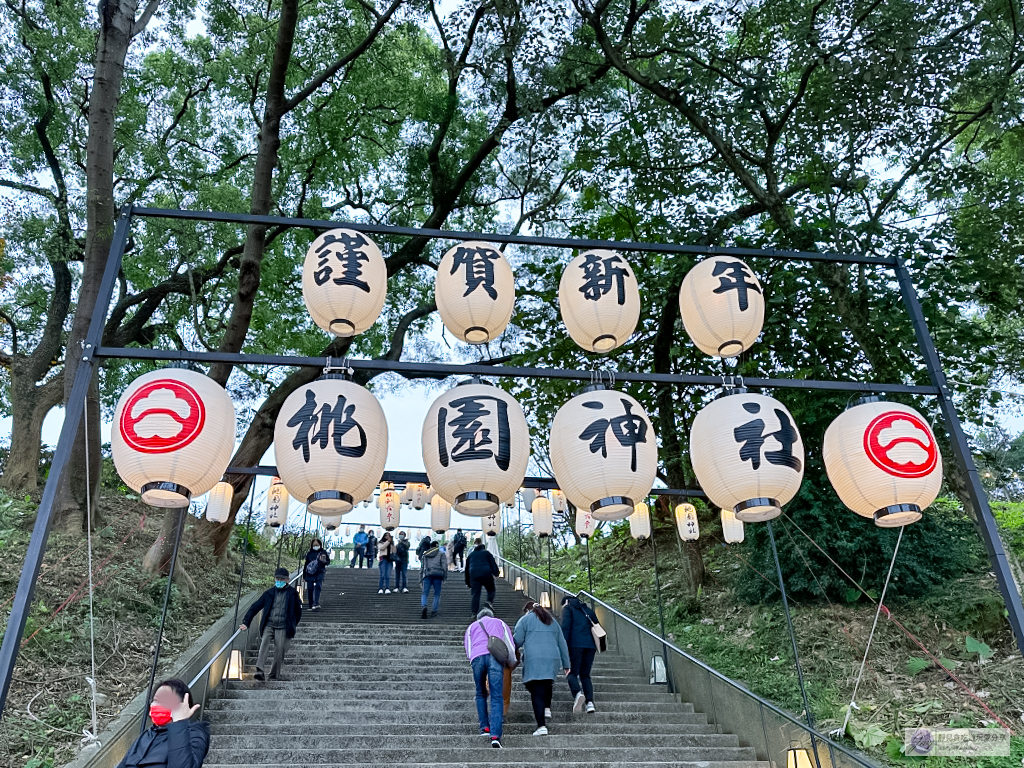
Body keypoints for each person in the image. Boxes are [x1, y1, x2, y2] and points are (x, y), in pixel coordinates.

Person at [115, 678, 208, 768]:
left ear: (183, 705)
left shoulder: (194, 734)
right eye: (156, 700)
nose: (158, 705)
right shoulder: (146, 736)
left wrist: (179, 722)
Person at [514, 601, 570, 736]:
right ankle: (546, 708)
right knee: (546, 682)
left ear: (527, 610)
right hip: (552, 658)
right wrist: (567, 664)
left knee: (536, 689)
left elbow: (516, 641)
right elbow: (562, 643)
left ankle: (541, 726)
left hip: (534, 658)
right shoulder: (552, 621)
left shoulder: (525, 620)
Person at [464, 605, 515, 749]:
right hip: (495, 657)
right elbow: (509, 645)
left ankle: (484, 728)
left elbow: (468, 647)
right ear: (491, 615)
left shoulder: (472, 626)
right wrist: (511, 662)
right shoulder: (500, 623)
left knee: (480, 693)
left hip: (477, 658)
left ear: (479, 617)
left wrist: (473, 660)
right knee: (496, 696)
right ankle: (495, 735)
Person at [239, 567, 302, 681]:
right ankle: (259, 670)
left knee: (280, 649)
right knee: (264, 644)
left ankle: (273, 674)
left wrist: (292, 624)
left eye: (282, 579)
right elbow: (255, 607)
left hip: (283, 626)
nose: (279, 581)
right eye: (277, 579)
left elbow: (298, 612)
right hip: (269, 624)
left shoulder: (293, 594)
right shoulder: (269, 593)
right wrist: (246, 622)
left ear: (287, 580)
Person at [561, 594, 600, 713]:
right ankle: (590, 703)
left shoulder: (568, 609)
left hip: (575, 645)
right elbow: (596, 625)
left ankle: (578, 694)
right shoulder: (588, 610)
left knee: (571, 672)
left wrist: (563, 646)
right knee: (585, 675)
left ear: (566, 602)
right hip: (590, 646)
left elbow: (566, 628)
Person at [465, 537, 499, 615]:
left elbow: (467, 569)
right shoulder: (487, 553)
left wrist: (468, 582)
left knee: (475, 593)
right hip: (486, 573)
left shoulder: (471, 555)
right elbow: (492, 563)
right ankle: (489, 601)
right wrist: (496, 573)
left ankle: (474, 612)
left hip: (474, 574)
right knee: (491, 589)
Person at [419, 536, 448, 619]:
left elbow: (422, 567)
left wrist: (420, 579)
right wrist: (445, 577)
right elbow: (444, 566)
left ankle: (424, 606)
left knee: (425, 593)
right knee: (437, 594)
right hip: (438, 575)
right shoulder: (441, 554)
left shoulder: (425, 554)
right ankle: (434, 611)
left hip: (427, 574)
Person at [303, 537, 329, 611]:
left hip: (320, 572)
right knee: (310, 588)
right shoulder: (309, 553)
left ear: (320, 545)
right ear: (312, 545)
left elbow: (328, 562)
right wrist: (304, 575)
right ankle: (311, 604)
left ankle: (316, 603)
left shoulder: (323, 552)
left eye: (317, 545)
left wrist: (323, 561)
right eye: (314, 545)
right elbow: (306, 564)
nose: (316, 546)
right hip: (310, 573)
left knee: (318, 586)